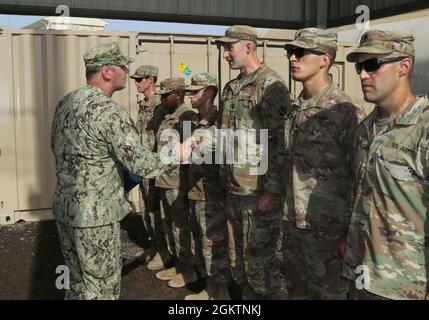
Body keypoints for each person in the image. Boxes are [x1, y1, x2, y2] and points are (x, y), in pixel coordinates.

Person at [50, 42, 188, 299]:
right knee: (101, 290)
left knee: (78, 285)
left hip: (66, 209)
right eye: (123, 66)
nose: (128, 71)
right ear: (107, 72)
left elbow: (55, 148)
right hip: (96, 217)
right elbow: (142, 164)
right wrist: (178, 154)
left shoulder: (65, 104)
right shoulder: (109, 112)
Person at [341, 30, 429, 300]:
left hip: (406, 287)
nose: (363, 75)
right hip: (360, 277)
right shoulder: (366, 129)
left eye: (372, 65)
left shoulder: (423, 128)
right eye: (360, 67)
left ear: (404, 66)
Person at [281, 28, 366, 299]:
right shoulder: (295, 108)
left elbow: (359, 178)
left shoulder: (344, 110)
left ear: (324, 59)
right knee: (296, 290)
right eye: (290, 53)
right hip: (294, 224)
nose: (292, 58)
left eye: (300, 52)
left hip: (328, 230)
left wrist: (348, 235)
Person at [216, 25, 292, 299]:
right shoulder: (231, 87)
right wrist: (224, 185)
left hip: (258, 192)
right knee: (238, 264)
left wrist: (271, 190)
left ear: (248, 47)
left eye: (229, 47)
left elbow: (281, 140)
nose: (226, 54)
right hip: (234, 189)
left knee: (260, 265)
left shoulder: (271, 86)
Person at [182, 73, 232, 300]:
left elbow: (227, 158)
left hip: (212, 195)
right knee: (202, 242)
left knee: (214, 246)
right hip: (197, 191)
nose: (190, 95)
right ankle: (210, 288)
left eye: (196, 91)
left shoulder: (219, 121)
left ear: (210, 92)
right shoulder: (195, 122)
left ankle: (219, 294)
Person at [152, 77, 200, 288]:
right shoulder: (168, 116)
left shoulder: (187, 116)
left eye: (166, 95)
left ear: (178, 95)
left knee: (181, 226)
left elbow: (188, 151)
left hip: (177, 180)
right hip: (164, 178)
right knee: (168, 223)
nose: (162, 99)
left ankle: (189, 270)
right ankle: (178, 264)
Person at [130, 65, 167, 266]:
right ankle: (155, 245)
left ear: (151, 79)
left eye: (140, 79)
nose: (136, 82)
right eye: (135, 79)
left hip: (156, 167)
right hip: (144, 167)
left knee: (158, 210)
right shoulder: (144, 104)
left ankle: (164, 251)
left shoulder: (160, 105)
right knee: (146, 209)